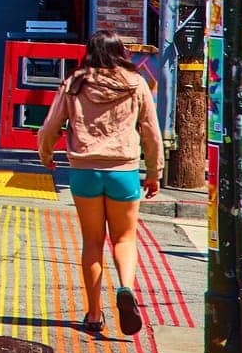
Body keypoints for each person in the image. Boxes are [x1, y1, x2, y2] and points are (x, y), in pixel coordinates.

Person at [38, 30, 163, 336]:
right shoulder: (136, 84)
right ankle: (125, 287)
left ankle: (94, 313)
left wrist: (46, 154)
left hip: (84, 172)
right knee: (124, 238)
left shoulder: (75, 83)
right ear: (121, 52)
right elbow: (151, 130)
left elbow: (51, 126)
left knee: (93, 242)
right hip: (124, 171)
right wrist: (154, 171)